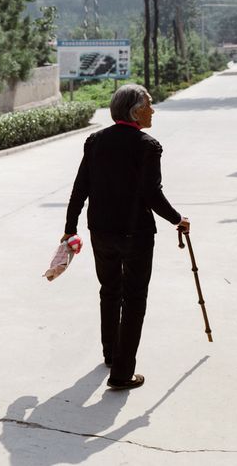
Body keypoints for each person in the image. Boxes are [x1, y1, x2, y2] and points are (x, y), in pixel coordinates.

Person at [63, 84, 189, 390]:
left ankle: (111, 353)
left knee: (109, 290)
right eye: (149, 104)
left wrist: (71, 228)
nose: (153, 110)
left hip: (101, 232)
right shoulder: (147, 145)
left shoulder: (95, 141)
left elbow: (81, 188)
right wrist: (178, 219)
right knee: (134, 300)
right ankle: (121, 373)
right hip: (136, 234)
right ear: (135, 110)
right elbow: (151, 194)